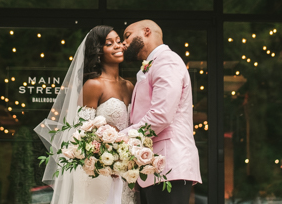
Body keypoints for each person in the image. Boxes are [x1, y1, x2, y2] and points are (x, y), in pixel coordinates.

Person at [35, 26, 138, 204]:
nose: (117, 46)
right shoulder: (93, 85)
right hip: (97, 171)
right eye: (109, 43)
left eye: (118, 41)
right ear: (98, 52)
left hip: (124, 171)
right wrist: (107, 160)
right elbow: (82, 133)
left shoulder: (129, 86)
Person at [122, 20, 201, 204]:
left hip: (169, 165)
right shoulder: (152, 65)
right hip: (154, 168)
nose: (124, 43)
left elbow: (161, 115)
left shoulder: (168, 61)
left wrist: (122, 138)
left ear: (147, 31)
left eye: (128, 35)